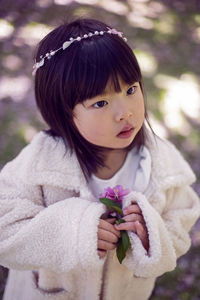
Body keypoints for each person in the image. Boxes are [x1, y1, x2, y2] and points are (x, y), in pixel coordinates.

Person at [0, 18, 199, 300]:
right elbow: (5, 229)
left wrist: (150, 235)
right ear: (63, 112)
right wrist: (74, 233)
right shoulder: (41, 162)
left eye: (130, 90)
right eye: (101, 103)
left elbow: (180, 223)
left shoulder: (161, 163)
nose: (125, 113)